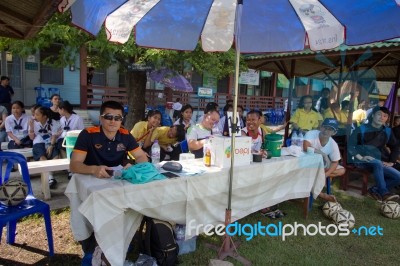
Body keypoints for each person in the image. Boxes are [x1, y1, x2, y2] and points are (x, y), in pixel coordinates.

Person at [70, 101, 148, 264]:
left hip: (116, 180)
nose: (113, 121)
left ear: (122, 119)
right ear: (101, 118)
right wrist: (93, 169)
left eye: (117, 117)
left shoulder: (125, 134)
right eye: (108, 117)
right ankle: (92, 246)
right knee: (96, 212)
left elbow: (141, 156)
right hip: (90, 178)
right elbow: (74, 165)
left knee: (129, 204)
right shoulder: (88, 134)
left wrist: (132, 165)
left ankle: (120, 240)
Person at [348, 106, 400, 201]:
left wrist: (392, 161)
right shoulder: (361, 129)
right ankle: (384, 193)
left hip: (379, 162)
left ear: (387, 118)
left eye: (385, 116)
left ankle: (374, 190)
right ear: (372, 115)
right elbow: (350, 145)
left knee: (398, 177)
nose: (382, 117)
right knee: (377, 162)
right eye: (379, 114)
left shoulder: (387, 131)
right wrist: (360, 157)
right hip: (360, 160)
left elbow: (396, 146)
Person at [303, 118, 346, 202]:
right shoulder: (311, 134)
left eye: (330, 129)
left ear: (334, 132)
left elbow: (335, 162)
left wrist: (326, 174)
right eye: (325, 127)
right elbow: (305, 147)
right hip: (305, 163)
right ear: (321, 127)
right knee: (310, 173)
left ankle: (320, 180)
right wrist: (323, 154)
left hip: (320, 167)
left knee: (342, 170)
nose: (326, 131)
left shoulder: (333, 144)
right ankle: (321, 194)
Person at [29, 106, 60, 189]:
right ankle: (50, 177)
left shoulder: (53, 122)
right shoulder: (33, 122)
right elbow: (31, 138)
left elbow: (54, 136)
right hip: (38, 142)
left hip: (50, 142)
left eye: (37, 115)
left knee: (56, 157)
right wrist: (31, 127)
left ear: (45, 116)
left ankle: (49, 176)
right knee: (42, 157)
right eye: (34, 114)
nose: (34, 116)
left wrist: (51, 146)